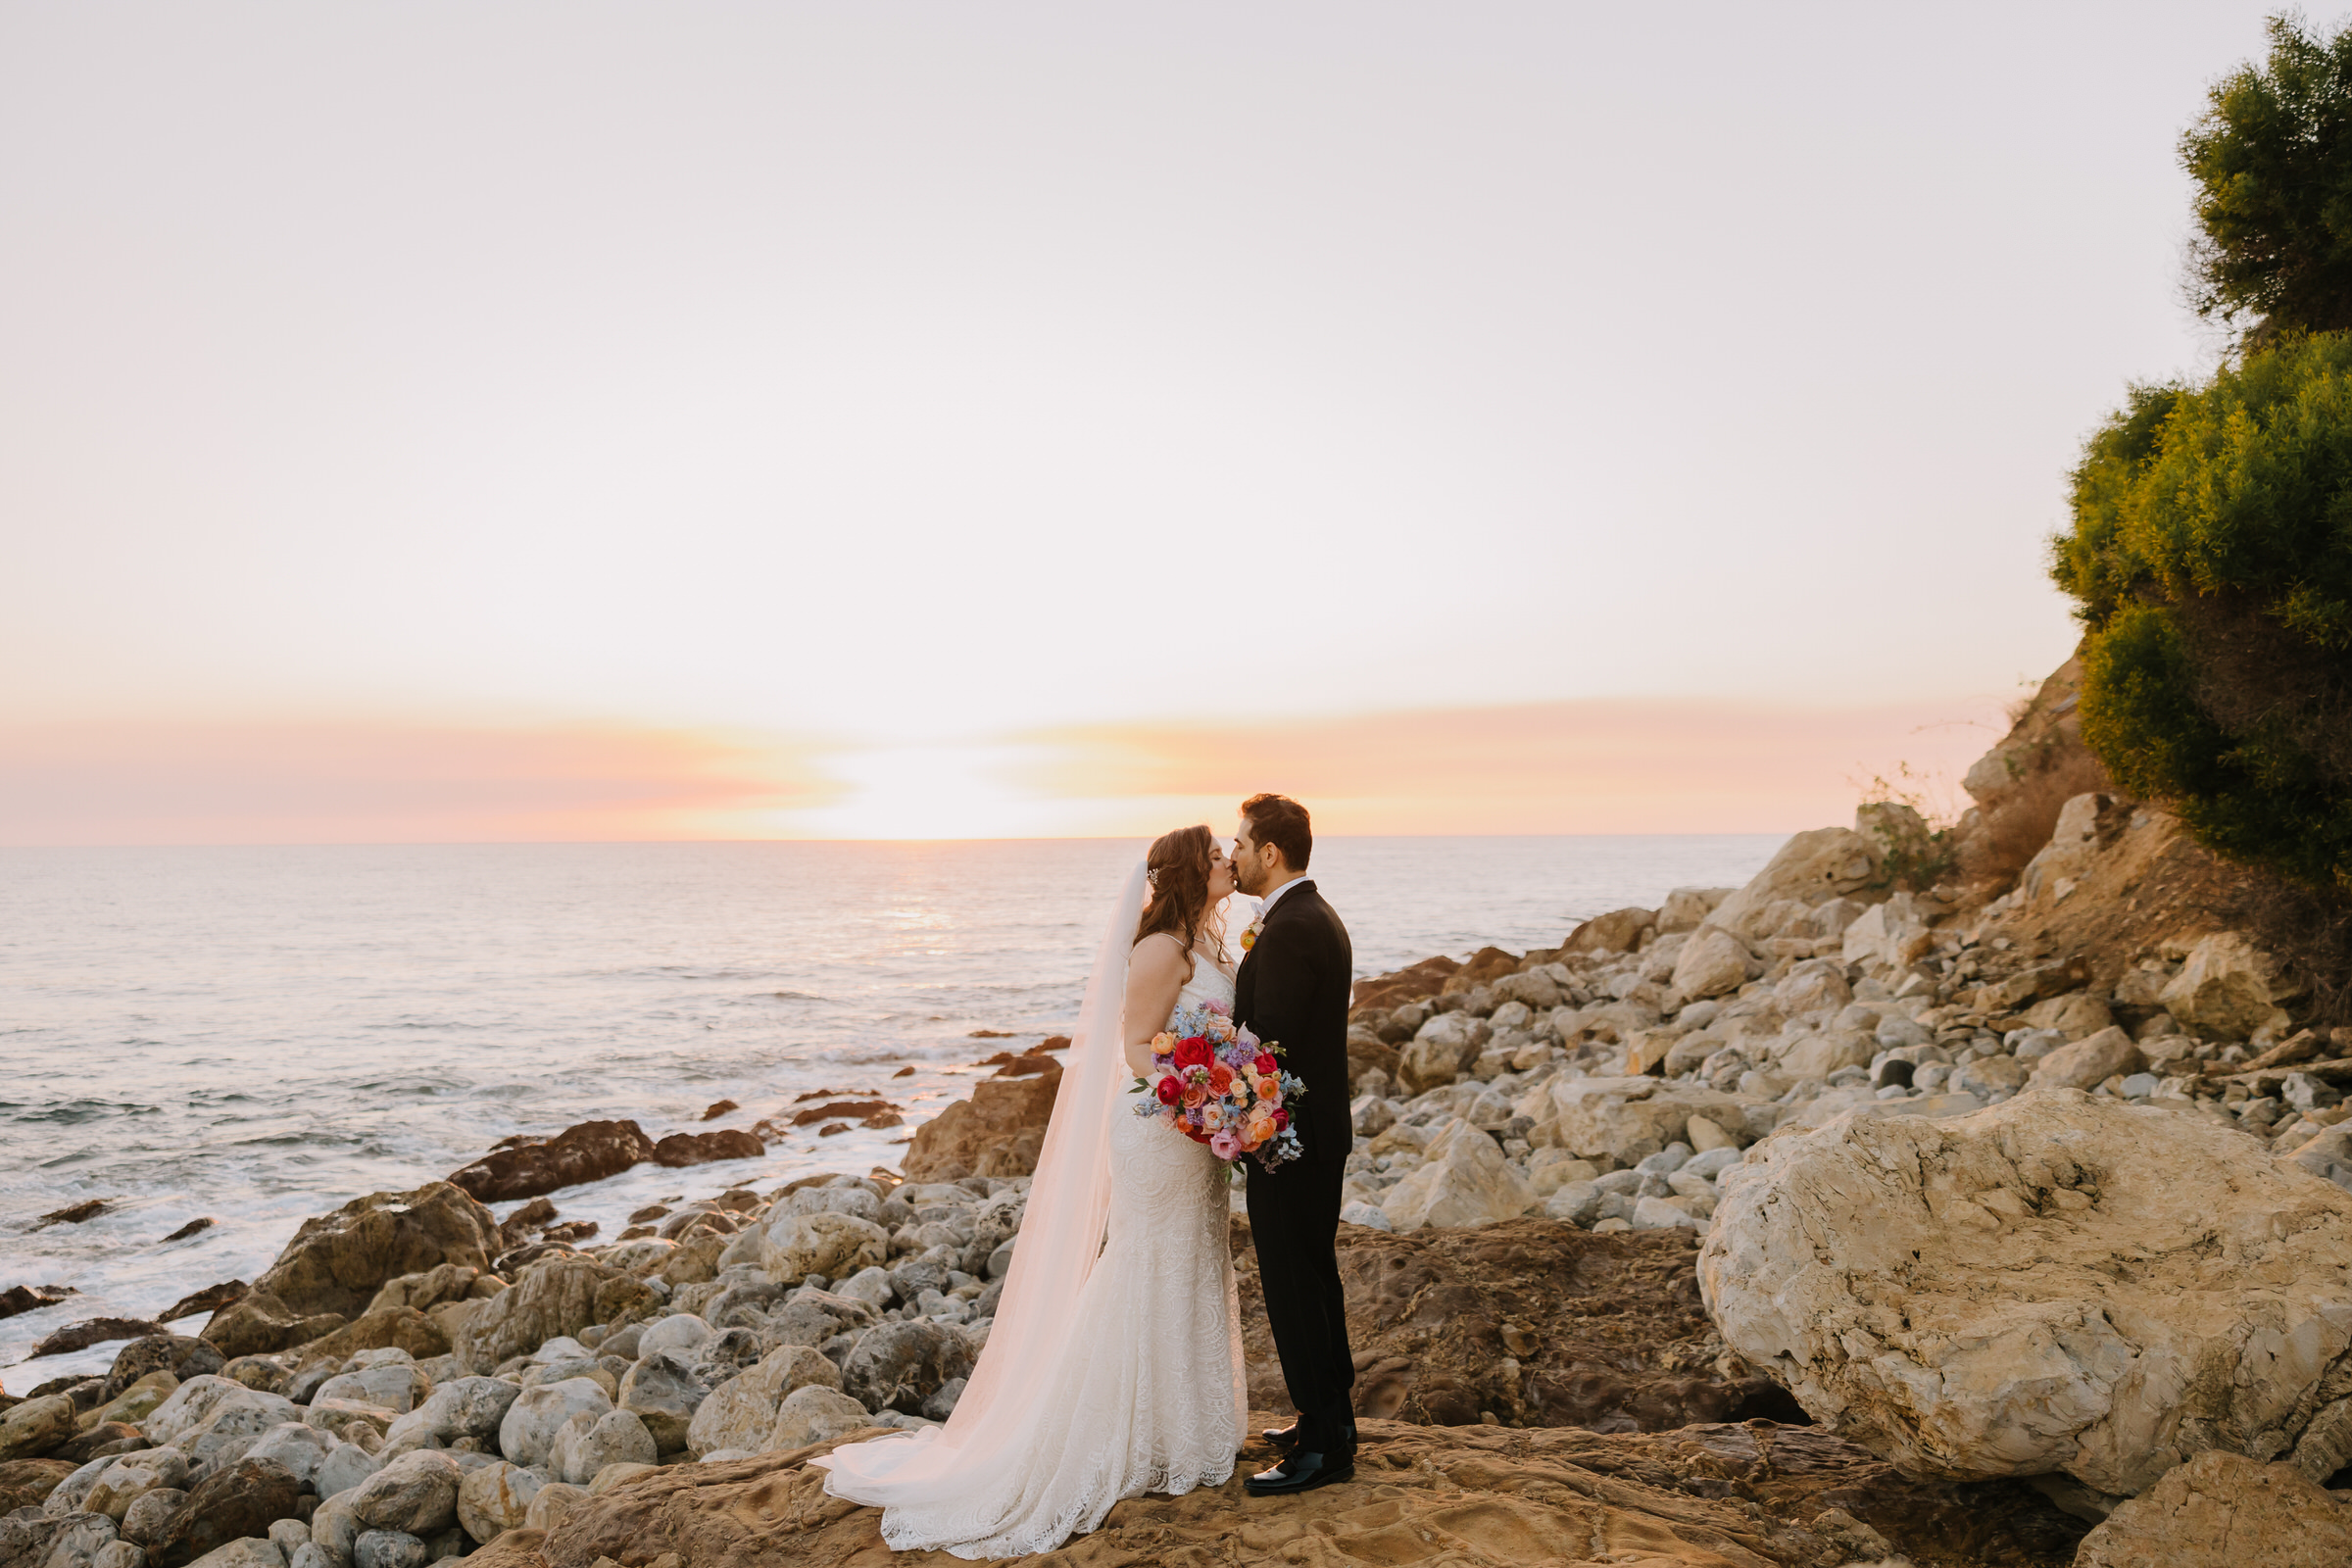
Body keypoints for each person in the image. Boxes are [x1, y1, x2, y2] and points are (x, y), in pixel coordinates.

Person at [810, 825, 1247, 1557]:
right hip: (1161, 1125)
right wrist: (1199, 1099)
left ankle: (1180, 1429)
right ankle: (1112, 1436)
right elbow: (1136, 1047)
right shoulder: (1158, 950)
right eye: (1211, 855)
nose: (1225, 861)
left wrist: (1224, 1096)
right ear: (1183, 872)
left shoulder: (1206, 946)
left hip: (1198, 1127)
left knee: (1194, 1258)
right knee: (1147, 1263)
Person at [1229, 792, 1359, 1494]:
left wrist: (1223, 1109)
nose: (1235, 854)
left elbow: (1265, 1048)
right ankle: (1328, 1421)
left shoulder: (1287, 929)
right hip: (1316, 1134)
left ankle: (1324, 1447)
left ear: (1269, 852)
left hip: (1290, 1143)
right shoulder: (1316, 916)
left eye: (1242, 843)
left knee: (1293, 1285)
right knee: (1313, 1277)